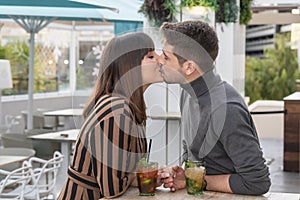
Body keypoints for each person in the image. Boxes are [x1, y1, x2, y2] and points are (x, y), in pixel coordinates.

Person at [158, 20, 271, 195]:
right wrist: (185, 175)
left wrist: (195, 180)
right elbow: (194, 154)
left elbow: (257, 182)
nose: (159, 61)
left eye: (166, 57)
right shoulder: (187, 93)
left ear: (189, 67)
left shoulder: (226, 109)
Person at [58, 32, 163, 199]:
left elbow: (123, 174)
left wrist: (147, 174)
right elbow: (112, 188)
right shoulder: (116, 111)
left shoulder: (127, 106)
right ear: (130, 66)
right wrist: (142, 176)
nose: (160, 59)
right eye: (151, 56)